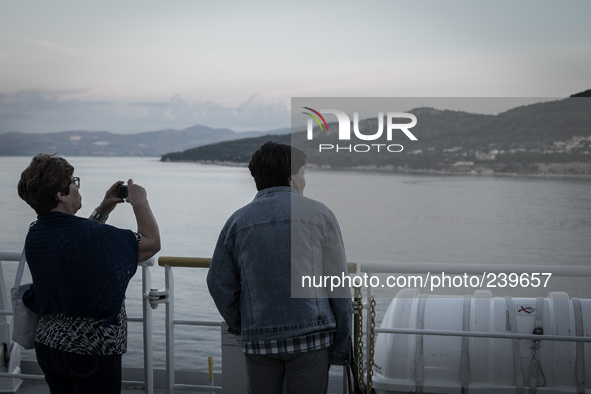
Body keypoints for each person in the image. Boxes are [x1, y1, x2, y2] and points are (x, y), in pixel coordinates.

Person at [207, 141, 352, 394]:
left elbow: (217, 282)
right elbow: (338, 284)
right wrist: (341, 343)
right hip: (312, 335)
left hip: (259, 337)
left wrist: (242, 323)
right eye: (303, 172)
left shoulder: (237, 221)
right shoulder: (320, 215)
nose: (304, 180)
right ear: (290, 177)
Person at [17, 153, 161, 394]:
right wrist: (140, 201)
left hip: (49, 346)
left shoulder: (37, 232)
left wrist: (104, 207)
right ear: (61, 195)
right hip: (91, 349)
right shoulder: (88, 236)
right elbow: (151, 242)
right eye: (74, 182)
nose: (77, 187)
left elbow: (77, 240)